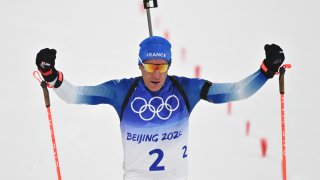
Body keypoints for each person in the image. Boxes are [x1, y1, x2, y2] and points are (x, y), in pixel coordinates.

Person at [35, 36, 285, 180]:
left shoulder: (186, 89)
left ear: (169, 65)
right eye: (151, 66)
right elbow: (76, 95)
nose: (156, 74)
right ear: (139, 65)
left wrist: (265, 72)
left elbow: (235, 92)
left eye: (162, 67)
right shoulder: (121, 91)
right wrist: (52, 75)